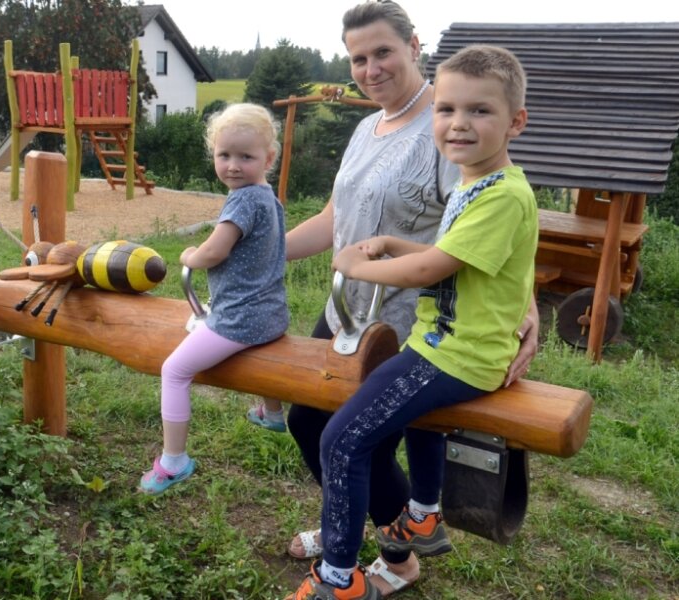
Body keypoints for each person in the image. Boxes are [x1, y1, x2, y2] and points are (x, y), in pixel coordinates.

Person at [280, 2, 539, 597]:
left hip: (408, 326)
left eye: (382, 53)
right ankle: (347, 521)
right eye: (358, 58)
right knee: (306, 420)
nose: (370, 68)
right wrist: (263, 253)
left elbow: (486, 237)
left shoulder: (447, 130)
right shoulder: (369, 126)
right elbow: (334, 218)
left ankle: (396, 556)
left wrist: (523, 315)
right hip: (350, 312)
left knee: (358, 443)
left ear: (414, 45)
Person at [139, 103, 288, 494]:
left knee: (174, 371)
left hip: (239, 319)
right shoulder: (269, 198)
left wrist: (190, 255)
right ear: (214, 156)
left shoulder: (242, 200)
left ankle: (173, 461)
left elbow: (214, 252)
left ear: (268, 158)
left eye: (246, 156)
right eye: (224, 156)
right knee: (268, 358)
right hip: (273, 315)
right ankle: (272, 412)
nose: (233, 166)